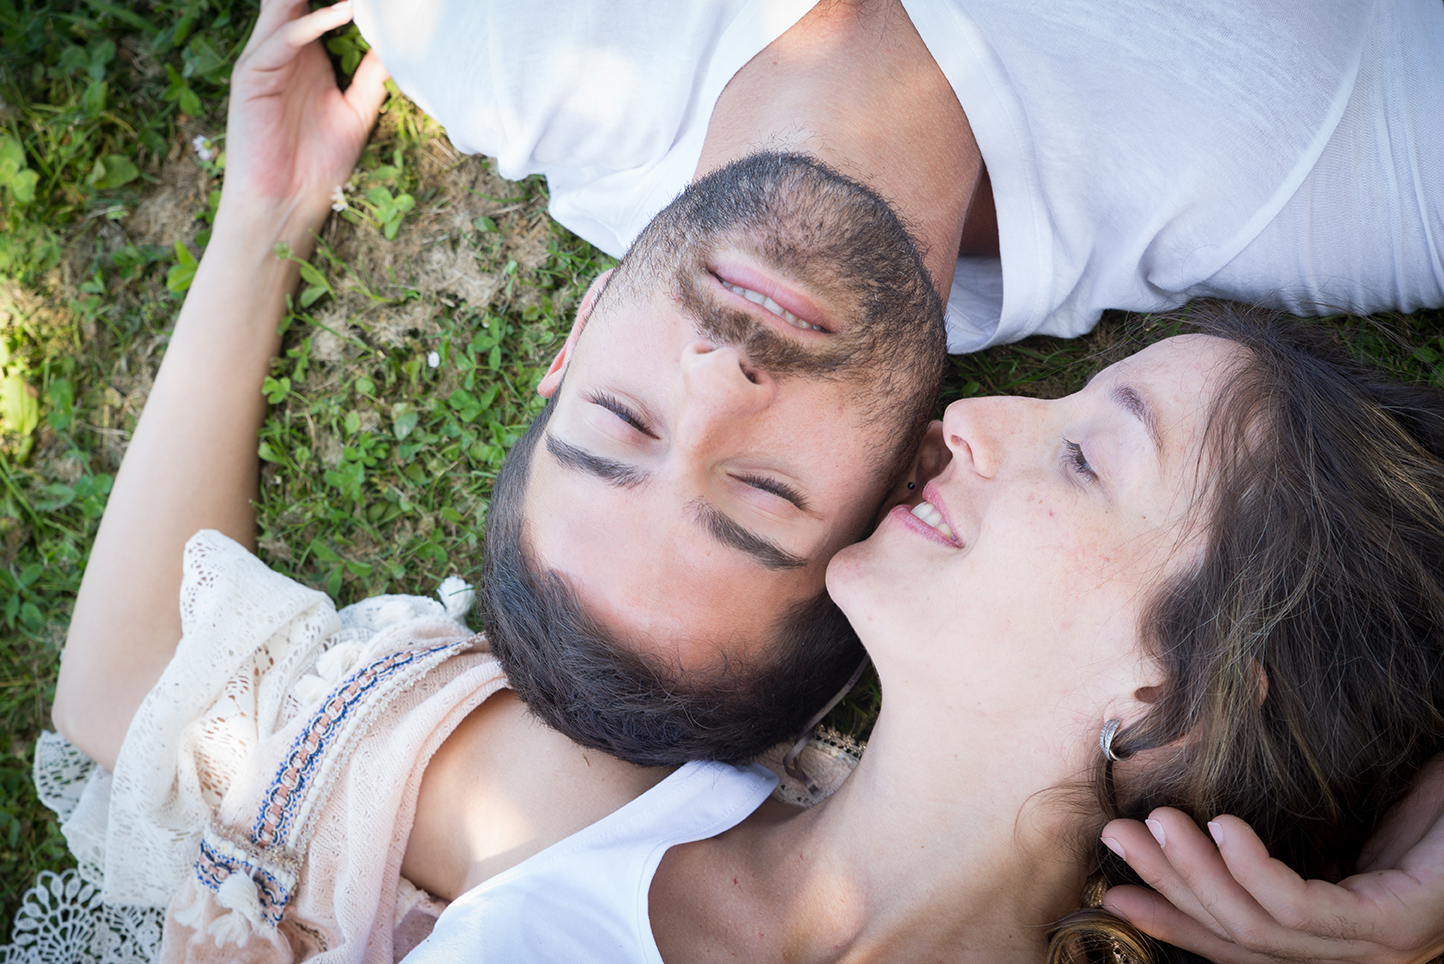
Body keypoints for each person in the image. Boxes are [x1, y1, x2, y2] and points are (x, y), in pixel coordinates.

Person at [37, 2, 1444, 963]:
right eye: (765, 500)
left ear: (573, 341)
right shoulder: (1346, 170)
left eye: (621, 426)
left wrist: (263, 223)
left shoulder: (503, 41)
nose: (718, 375)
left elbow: (150, 698)